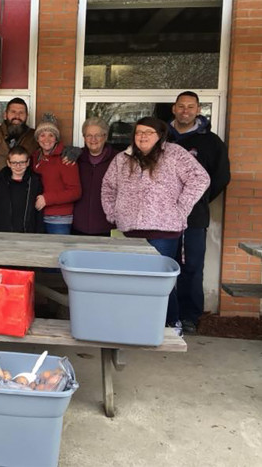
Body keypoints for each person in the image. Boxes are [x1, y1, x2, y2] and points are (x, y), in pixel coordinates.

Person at [101, 116, 210, 333]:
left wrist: (182, 207)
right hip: (129, 229)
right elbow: (108, 186)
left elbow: (201, 178)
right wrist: (112, 213)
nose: (142, 136)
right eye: (139, 132)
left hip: (164, 229)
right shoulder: (123, 158)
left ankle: (170, 322)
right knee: (132, 278)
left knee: (161, 279)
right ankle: (137, 321)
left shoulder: (175, 154)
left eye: (148, 132)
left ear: (159, 135)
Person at [168, 91, 231, 334]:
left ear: (197, 110)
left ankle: (189, 316)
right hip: (161, 217)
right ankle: (165, 314)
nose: (185, 110)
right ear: (174, 108)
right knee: (163, 265)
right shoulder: (160, 138)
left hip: (194, 217)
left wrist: (199, 200)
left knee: (192, 265)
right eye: (181, 106)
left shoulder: (211, 142)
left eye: (190, 106)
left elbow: (221, 177)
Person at [31, 116, 81, 234]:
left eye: (51, 135)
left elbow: (75, 192)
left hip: (58, 219)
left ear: (56, 138)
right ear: (37, 138)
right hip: (37, 216)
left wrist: (47, 198)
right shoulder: (35, 157)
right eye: (42, 135)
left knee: (57, 251)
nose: (46, 139)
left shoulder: (66, 158)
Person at [72, 117, 118, 236]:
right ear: (84, 137)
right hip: (78, 225)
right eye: (89, 135)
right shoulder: (76, 158)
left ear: (105, 136)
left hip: (107, 225)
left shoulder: (118, 159)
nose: (93, 139)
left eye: (98, 135)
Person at [0, 97, 39, 175]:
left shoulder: (34, 137)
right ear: (5, 115)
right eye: (13, 112)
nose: (17, 116)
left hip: (24, 185)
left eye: (21, 112)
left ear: (27, 116)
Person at [0, 147, 43, 233]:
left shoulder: (35, 183)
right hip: (3, 233)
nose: (18, 166)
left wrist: (39, 234)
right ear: (8, 163)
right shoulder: (0, 183)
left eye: (22, 162)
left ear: (28, 162)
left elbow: (39, 213)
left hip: (28, 234)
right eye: (14, 163)